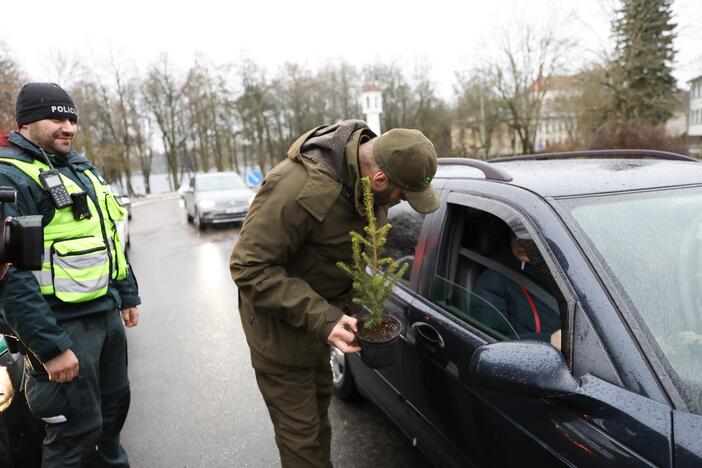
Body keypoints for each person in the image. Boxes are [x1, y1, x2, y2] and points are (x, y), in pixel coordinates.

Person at [230, 120, 439, 468]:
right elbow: (248, 266)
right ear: (381, 179)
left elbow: (338, 256)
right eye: (404, 194)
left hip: (316, 334)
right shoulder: (297, 188)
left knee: (319, 425)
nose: (403, 202)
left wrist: (358, 306)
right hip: (280, 341)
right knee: (303, 447)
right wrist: (324, 317)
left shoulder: (362, 183)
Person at [0, 82, 140, 467]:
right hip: (60, 327)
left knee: (110, 419)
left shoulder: (78, 167)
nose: (68, 127)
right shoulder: (11, 178)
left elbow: (108, 235)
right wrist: (49, 347)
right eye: (56, 117)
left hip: (104, 317)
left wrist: (126, 294)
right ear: (25, 122)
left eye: (72, 118)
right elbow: (10, 275)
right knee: (74, 434)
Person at [471, 232, 561, 348]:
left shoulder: (558, 274)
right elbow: (487, 343)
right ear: (508, 238)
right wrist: (548, 341)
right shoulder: (492, 279)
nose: (521, 244)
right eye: (516, 237)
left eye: (529, 237)